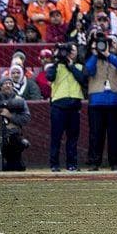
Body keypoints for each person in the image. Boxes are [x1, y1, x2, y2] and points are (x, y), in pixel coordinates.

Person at [85, 31, 117, 171]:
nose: (107, 45)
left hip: (115, 101)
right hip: (97, 101)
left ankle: (115, 161)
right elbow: (88, 71)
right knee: (96, 134)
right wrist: (96, 52)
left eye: (111, 43)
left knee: (115, 134)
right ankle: (94, 162)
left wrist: (108, 55)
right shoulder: (93, 58)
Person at [44, 44, 86, 172]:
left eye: (72, 51)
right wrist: (57, 61)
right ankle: (54, 164)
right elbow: (49, 76)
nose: (69, 53)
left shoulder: (78, 66)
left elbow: (83, 80)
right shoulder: (55, 67)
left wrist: (71, 66)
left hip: (74, 104)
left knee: (72, 137)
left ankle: (71, 164)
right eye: (68, 51)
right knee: (56, 136)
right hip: (58, 105)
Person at [0, 77, 31, 172]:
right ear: (0, 86)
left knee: (16, 166)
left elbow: (26, 118)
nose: (8, 86)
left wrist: (10, 116)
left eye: (10, 84)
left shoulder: (19, 100)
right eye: (5, 83)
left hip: (12, 135)